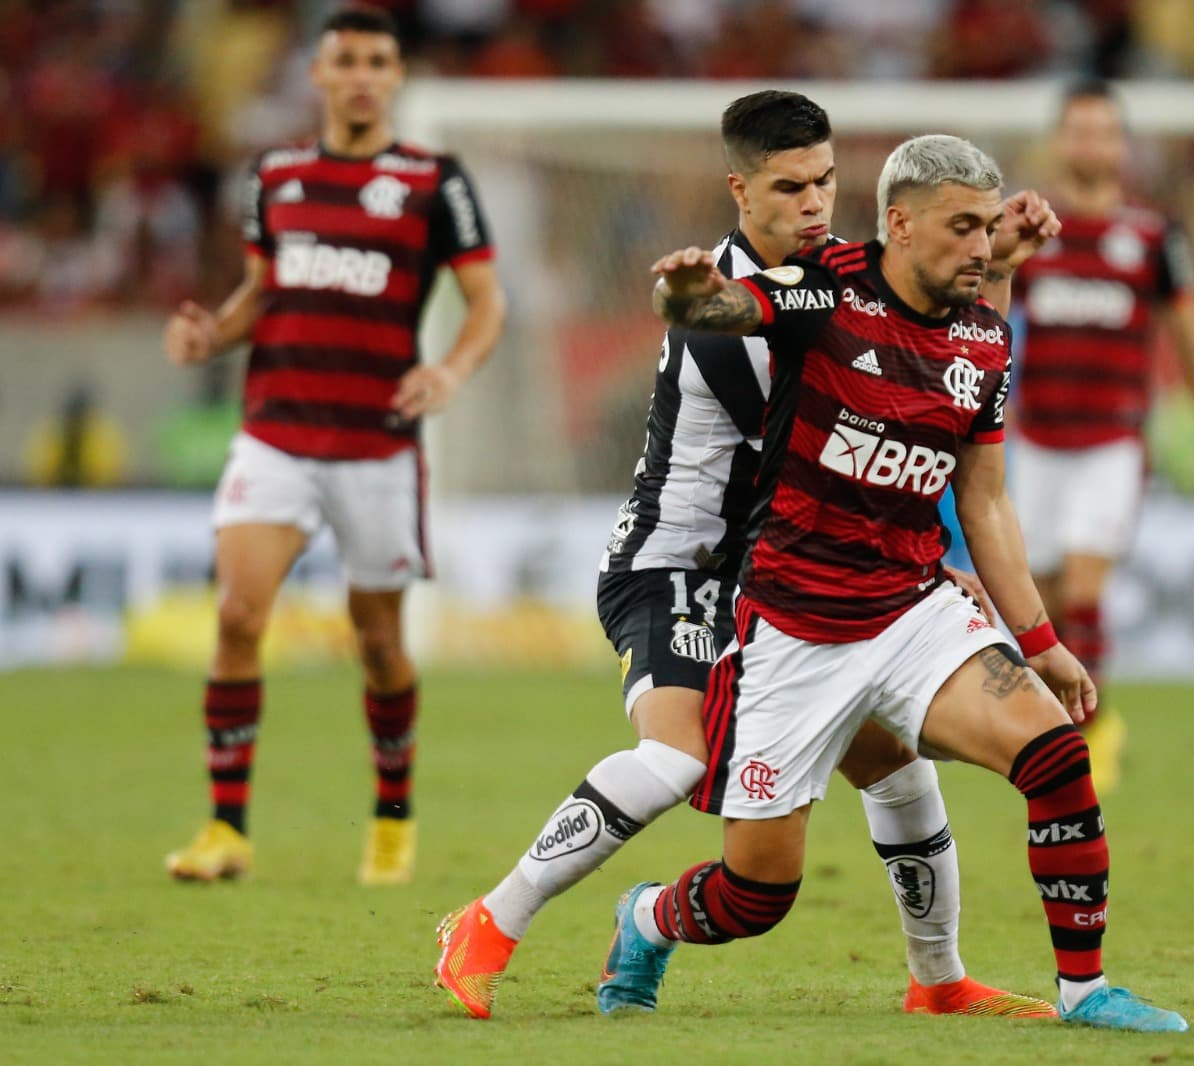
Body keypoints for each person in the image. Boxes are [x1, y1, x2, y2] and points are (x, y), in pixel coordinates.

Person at [434, 91, 1054, 1022]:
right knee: (676, 756)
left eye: (826, 182)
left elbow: (939, 371)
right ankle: (490, 921)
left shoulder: (836, 280)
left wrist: (990, 264)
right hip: (681, 566)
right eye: (790, 187)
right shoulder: (732, 315)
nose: (815, 203)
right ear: (740, 191)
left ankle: (939, 980)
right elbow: (845, 443)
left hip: (782, 575)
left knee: (894, 766)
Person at [594, 134, 1187, 1033]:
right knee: (755, 895)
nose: (983, 247)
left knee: (1058, 758)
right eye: (963, 228)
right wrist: (684, 296)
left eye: (989, 227)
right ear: (900, 224)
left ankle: (1085, 991)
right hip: (792, 629)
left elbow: (985, 503)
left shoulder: (985, 337)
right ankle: (646, 918)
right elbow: (731, 305)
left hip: (912, 610)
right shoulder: (826, 288)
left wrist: (1041, 643)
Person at [159, 4, 506, 885]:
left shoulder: (433, 180)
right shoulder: (274, 174)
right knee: (238, 617)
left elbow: (487, 302)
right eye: (345, 59)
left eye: (376, 61)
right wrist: (212, 333)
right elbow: (262, 291)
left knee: (379, 645)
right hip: (275, 432)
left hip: (376, 444)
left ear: (397, 76)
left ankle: (391, 820)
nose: (360, 76)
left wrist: (450, 371)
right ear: (317, 73)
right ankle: (225, 828)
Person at [1009, 78, 1194, 790]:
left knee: (1082, 587)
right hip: (1037, 441)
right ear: (1059, 142)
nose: (1091, 144)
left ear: (1122, 146)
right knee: (1041, 600)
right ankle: (1061, 726)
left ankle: (1093, 733)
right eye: (1079, 131)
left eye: (1104, 132)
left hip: (1111, 442)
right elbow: (991, 320)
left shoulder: (1154, 238)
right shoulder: (1031, 233)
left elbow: (1190, 335)